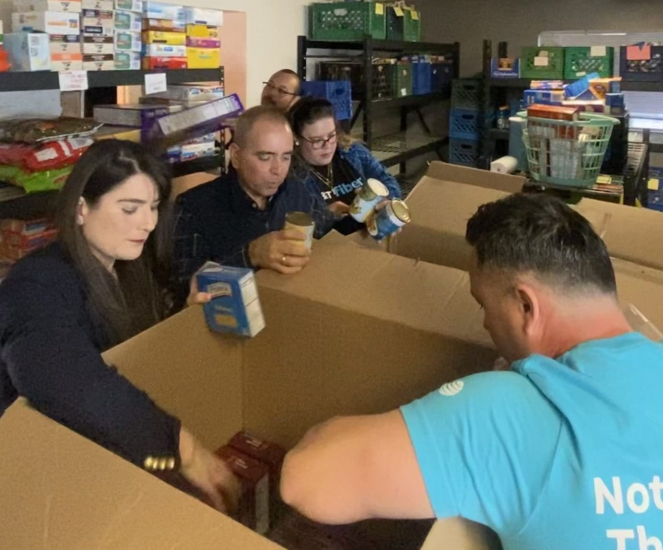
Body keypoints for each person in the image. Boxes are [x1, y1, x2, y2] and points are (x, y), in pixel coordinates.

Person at [279, 193, 663, 549]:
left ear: (526, 306)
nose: (485, 322)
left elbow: (306, 480)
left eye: (484, 303)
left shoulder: (517, 413)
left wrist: (506, 392)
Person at [0, 140, 238, 512]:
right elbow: (64, 379)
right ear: (81, 209)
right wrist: (184, 448)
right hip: (35, 471)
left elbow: (135, 357)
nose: (148, 223)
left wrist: (182, 319)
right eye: (130, 209)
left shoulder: (130, 267)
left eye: (154, 207)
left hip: (105, 453)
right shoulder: (37, 284)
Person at [173, 105, 339, 304]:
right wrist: (250, 255)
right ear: (236, 156)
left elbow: (325, 225)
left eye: (286, 157)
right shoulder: (194, 208)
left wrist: (365, 216)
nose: (278, 170)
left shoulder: (295, 190)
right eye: (265, 157)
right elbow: (183, 292)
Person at [289, 98, 402, 226]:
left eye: (331, 136)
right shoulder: (292, 175)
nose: (327, 146)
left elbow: (386, 179)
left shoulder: (352, 151)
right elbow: (297, 226)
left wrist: (385, 201)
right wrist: (327, 215)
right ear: (296, 138)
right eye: (316, 140)